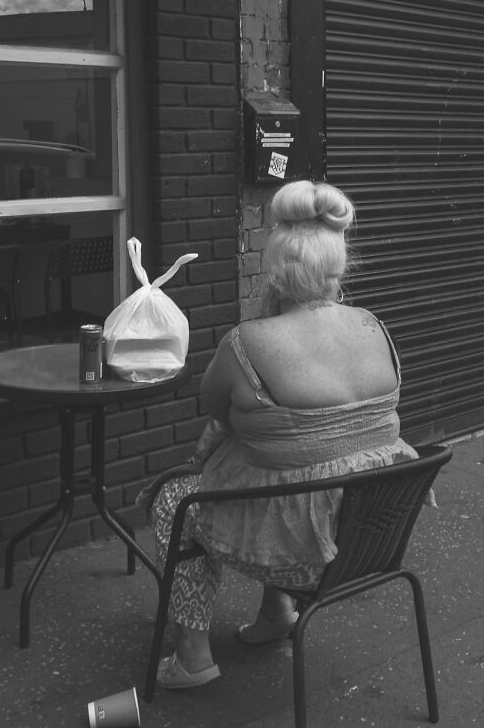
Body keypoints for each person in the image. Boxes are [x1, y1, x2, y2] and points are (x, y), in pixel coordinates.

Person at [148, 179, 423, 689]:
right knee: (283, 465)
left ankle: (192, 656)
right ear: (339, 266)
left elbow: (216, 413)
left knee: (174, 499)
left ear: (273, 271)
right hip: (372, 541)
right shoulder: (373, 326)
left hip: (304, 555)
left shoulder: (247, 342)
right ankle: (276, 613)